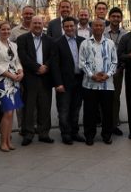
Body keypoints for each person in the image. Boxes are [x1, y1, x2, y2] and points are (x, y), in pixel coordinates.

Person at [16, 15, 56, 145]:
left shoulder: (50, 40)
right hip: (30, 78)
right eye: (35, 23)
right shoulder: (22, 39)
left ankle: (44, 133)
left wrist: (47, 66)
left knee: (45, 106)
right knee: (29, 107)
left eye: (40, 23)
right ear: (31, 25)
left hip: (45, 78)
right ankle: (28, 134)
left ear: (43, 24)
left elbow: (53, 56)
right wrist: (37, 67)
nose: (37, 25)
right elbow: (23, 56)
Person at [79, 18, 118, 145]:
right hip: (89, 84)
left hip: (107, 84)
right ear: (92, 27)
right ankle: (89, 135)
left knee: (107, 112)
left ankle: (107, 135)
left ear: (104, 28)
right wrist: (92, 75)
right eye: (95, 25)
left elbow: (114, 62)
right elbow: (82, 63)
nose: (98, 28)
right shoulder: (85, 43)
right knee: (89, 112)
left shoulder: (110, 43)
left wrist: (107, 75)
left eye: (101, 26)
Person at [0, 21, 24, 152]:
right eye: (3, 29)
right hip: (3, 81)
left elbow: (17, 61)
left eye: (8, 29)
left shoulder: (13, 45)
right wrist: (10, 75)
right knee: (7, 111)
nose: (6, 31)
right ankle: (3, 142)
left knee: (12, 112)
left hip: (15, 81)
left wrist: (21, 71)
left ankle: (9, 140)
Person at [52, 16, 85, 145]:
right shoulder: (57, 43)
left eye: (72, 26)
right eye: (67, 26)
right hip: (64, 82)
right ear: (63, 28)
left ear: (75, 26)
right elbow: (54, 65)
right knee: (64, 109)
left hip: (80, 80)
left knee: (76, 108)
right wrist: (58, 83)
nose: (70, 28)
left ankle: (75, 132)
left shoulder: (82, 41)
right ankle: (66, 133)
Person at [104, 7, 126, 135]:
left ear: (121, 19)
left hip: (118, 70)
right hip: (104, 71)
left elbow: (126, 52)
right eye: (114, 16)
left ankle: (114, 124)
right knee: (104, 97)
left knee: (115, 98)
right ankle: (105, 123)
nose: (116, 19)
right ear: (109, 18)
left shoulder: (125, 34)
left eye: (118, 17)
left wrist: (120, 67)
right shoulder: (103, 32)